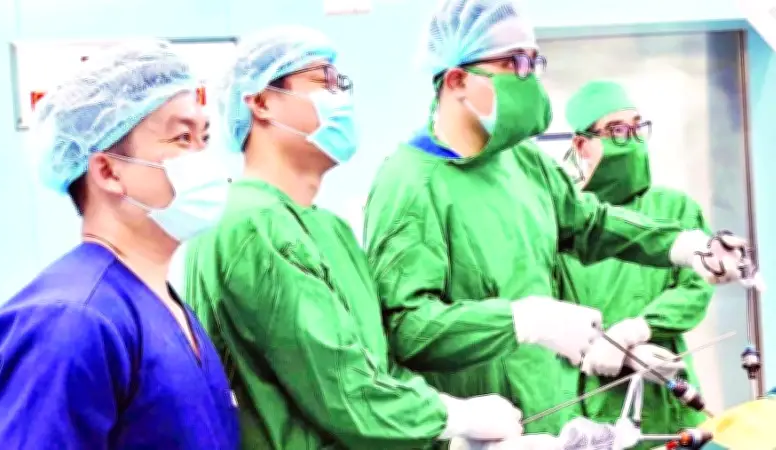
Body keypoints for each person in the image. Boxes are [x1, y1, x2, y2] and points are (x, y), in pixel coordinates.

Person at [363, 0, 758, 438]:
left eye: (534, 62)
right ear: (457, 80)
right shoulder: (410, 184)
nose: (530, 78)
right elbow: (408, 329)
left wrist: (683, 246)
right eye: (514, 63)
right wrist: (522, 321)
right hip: (486, 433)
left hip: (553, 413)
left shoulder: (522, 161)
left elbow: (588, 224)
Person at [183, 26, 559, 450]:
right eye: (324, 81)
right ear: (262, 102)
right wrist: (454, 418)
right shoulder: (251, 225)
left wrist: (450, 440)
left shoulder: (330, 230)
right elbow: (345, 393)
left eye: (341, 83)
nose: (341, 98)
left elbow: (378, 370)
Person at [0, 41, 239, 449]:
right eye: (182, 137)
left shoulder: (161, 305)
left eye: (204, 137)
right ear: (107, 171)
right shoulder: (69, 320)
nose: (204, 158)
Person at [554, 80, 714, 448]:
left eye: (637, 127)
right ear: (581, 144)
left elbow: (696, 285)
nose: (630, 139)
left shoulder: (673, 208)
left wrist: (639, 330)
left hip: (665, 387)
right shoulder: (566, 222)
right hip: (593, 394)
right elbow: (545, 309)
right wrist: (598, 346)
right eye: (615, 130)